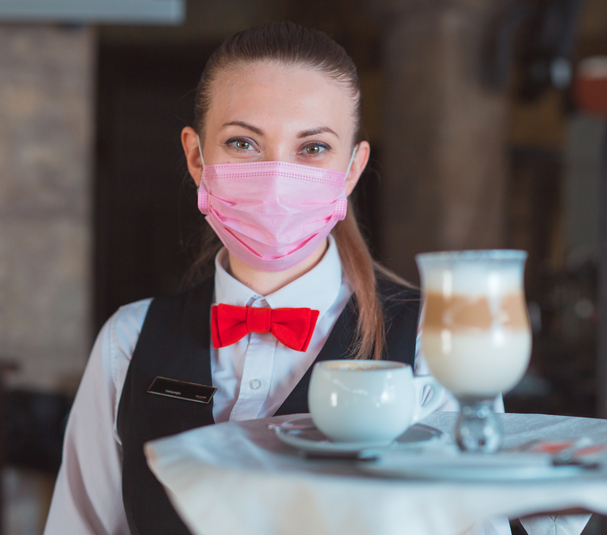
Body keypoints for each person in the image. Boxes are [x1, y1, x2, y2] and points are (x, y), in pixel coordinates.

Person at [44, 21, 518, 535]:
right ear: (196, 157)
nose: (275, 180)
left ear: (352, 169)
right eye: (244, 143)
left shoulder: (434, 340)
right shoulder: (127, 342)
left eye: (312, 148)